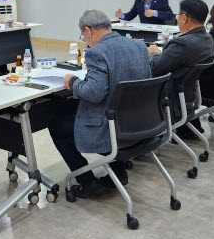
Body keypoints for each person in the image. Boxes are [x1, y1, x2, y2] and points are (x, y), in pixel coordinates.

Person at [48, 10, 151, 198]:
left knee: (57, 125)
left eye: (83, 36)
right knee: (76, 110)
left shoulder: (97, 52)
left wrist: (72, 81)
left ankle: (87, 182)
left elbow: (94, 94)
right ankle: (117, 173)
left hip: (112, 131)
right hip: (139, 125)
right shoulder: (139, 46)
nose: (85, 40)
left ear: (88, 30)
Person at [148, 0, 214, 139]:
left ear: (184, 18)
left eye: (178, 15)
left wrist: (153, 53)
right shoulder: (207, 38)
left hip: (169, 97)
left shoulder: (182, 44)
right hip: (188, 96)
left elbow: (155, 69)